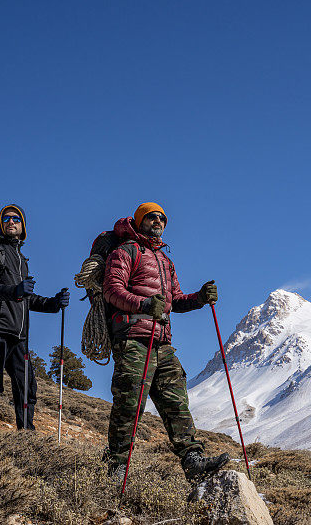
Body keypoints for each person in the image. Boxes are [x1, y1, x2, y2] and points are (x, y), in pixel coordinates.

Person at [103, 202, 228, 481]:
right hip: (133, 338)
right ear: (139, 221)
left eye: (162, 218)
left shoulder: (165, 261)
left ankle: (192, 459)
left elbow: (175, 300)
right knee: (129, 403)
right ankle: (116, 465)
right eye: (151, 217)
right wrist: (145, 304)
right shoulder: (125, 252)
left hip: (161, 342)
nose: (158, 221)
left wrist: (199, 298)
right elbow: (112, 290)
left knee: (176, 402)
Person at [0, 203, 70, 431]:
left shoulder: (20, 259)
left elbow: (26, 298)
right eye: (6, 219)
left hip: (20, 335)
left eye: (16, 219)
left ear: (23, 226)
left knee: (26, 387)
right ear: (0, 223)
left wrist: (52, 304)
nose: (10, 222)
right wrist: (14, 291)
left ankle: (26, 439)